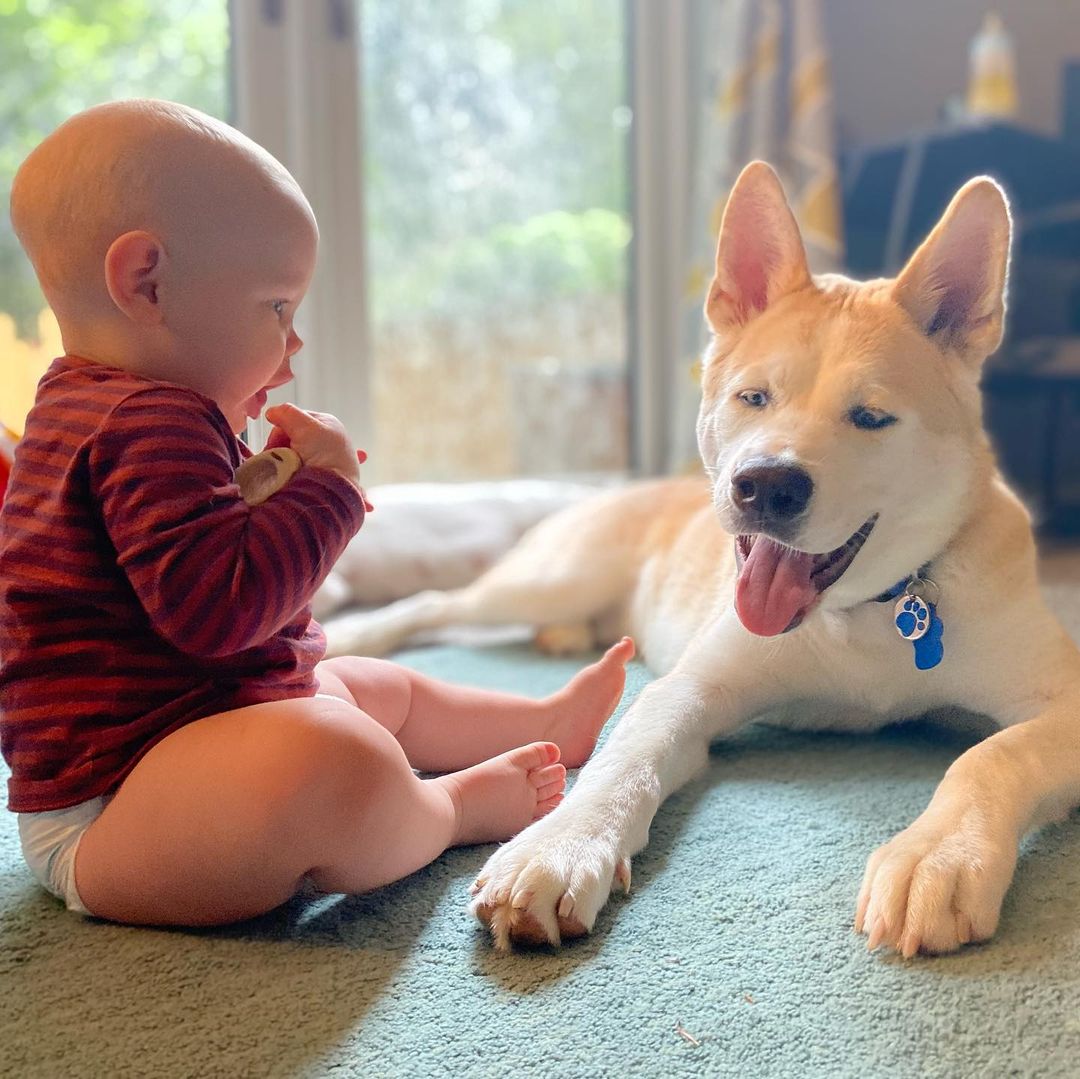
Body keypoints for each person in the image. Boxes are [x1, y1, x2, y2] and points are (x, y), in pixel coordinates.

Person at [0, 99, 634, 927]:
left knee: (370, 686)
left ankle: (544, 721)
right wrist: (328, 496)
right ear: (147, 283)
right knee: (339, 754)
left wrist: (262, 490)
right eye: (277, 308)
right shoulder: (147, 419)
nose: (292, 345)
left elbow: (185, 568)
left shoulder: (93, 403)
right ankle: (450, 810)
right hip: (119, 811)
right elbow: (222, 609)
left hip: (190, 738)